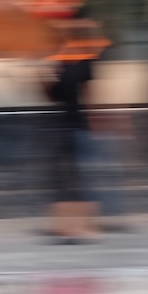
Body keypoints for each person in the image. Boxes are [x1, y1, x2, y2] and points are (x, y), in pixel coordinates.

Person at [41, 27, 103, 243]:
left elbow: (89, 94)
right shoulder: (62, 65)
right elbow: (53, 96)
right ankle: (65, 227)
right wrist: (42, 81)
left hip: (80, 127)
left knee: (82, 178)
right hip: (63, 125)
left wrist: (94, 121)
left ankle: (87, 227)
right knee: (63, 178)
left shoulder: (85, 64)